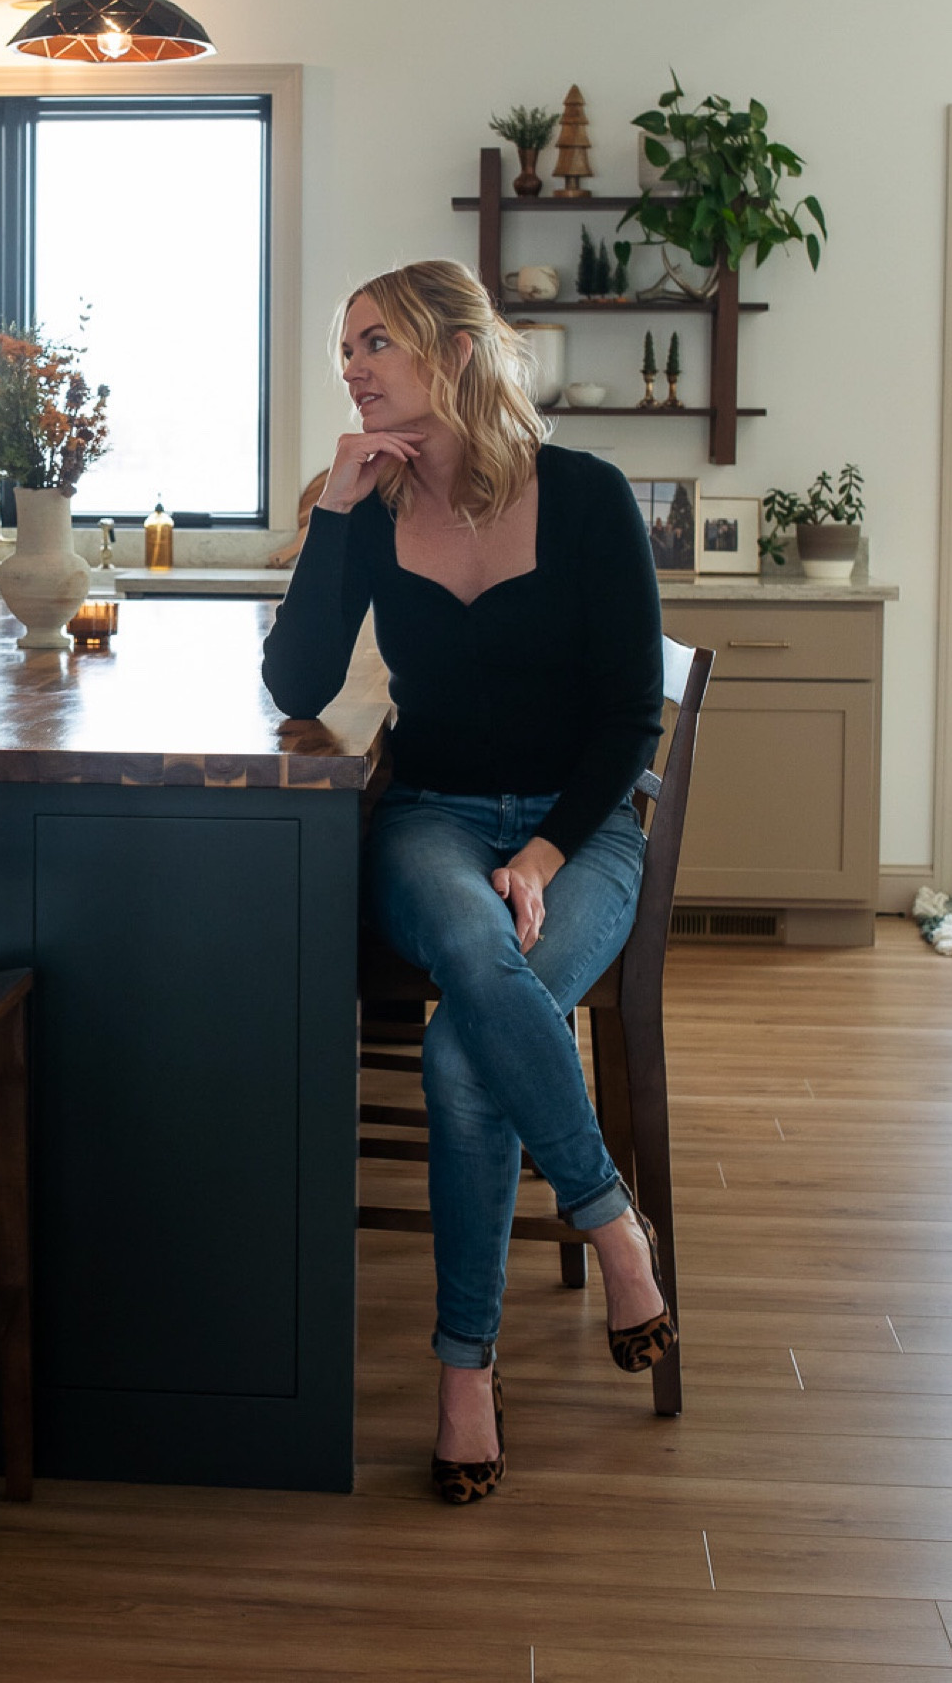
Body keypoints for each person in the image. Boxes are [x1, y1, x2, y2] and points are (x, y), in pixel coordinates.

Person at [262, 259, 677, 1505]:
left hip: (581, 831)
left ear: (450, 350)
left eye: (374, 341)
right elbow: (295, 683)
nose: (351, 366)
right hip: (430, 822)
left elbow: (626, 718)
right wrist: (335, 511)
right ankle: (613, 1222)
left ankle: (461, 1369)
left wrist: (543, 851)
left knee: (459, 1048)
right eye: (344, 347)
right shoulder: (365, 504)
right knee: (477, 972)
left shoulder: (586, 496)